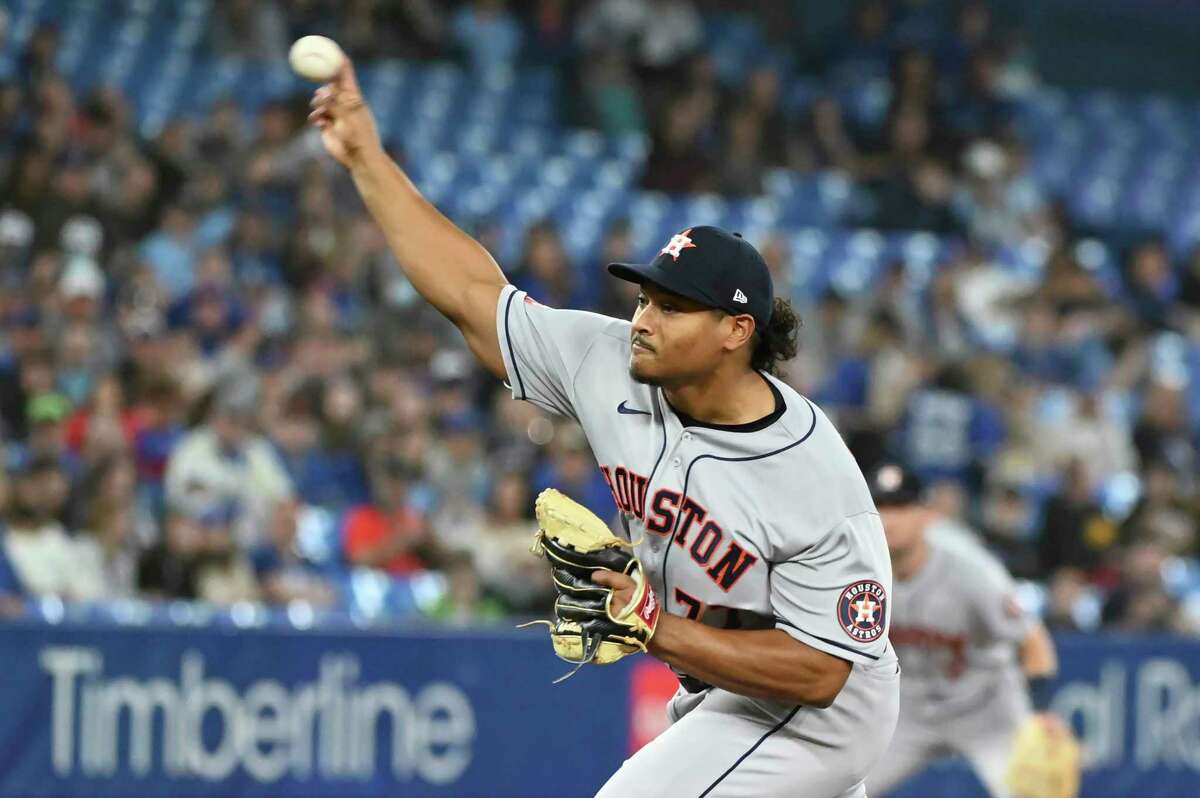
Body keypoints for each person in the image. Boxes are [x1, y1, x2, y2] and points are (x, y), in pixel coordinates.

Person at [309, 58, 898, 797]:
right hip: (716, 689)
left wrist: (654, 623)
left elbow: (821, 671)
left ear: (735, 331)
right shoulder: (609, 361)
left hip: (819, 714)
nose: (642, 321)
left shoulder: (813, 477)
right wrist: (366, 156)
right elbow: (470, 293)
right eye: (645, 298)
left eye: (671, 308)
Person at [863, 462, 1065, 797]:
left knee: (1034, 792)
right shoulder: (856, 568)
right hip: (907, 713)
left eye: (900, 507)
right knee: (839, 788)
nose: (889, 520)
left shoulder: (970, 569)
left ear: (927, 515)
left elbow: (1034, 641)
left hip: (986, 709)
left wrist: (1041, 714)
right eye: (880, 507)